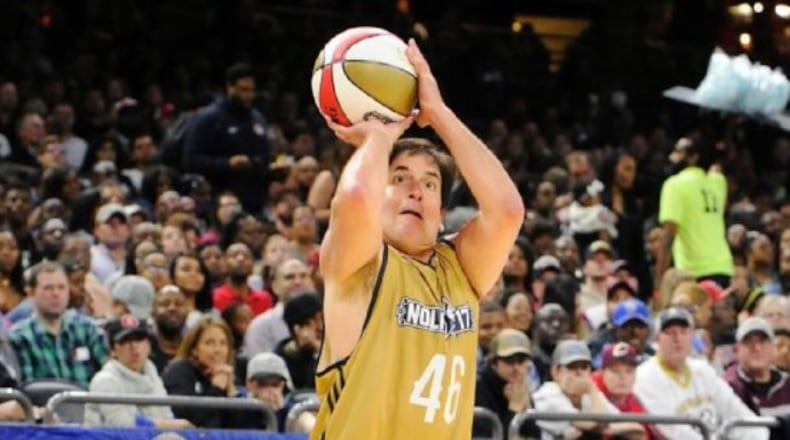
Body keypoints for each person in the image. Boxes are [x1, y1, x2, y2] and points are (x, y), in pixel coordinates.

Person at [310, 39, 524, 439]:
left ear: (442, 214)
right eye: (400, 178)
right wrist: (378, 136)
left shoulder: (461, 269)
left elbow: (508, 210)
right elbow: (355, 198)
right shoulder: (360, 264)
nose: (417, 190)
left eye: (430, 183)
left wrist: (439, 114)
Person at [634, 307, 768, 440]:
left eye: (683, 332)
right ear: (657, 339)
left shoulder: (704, 371)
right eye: (670, 332)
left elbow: (738, 413)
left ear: (692, 336)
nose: (678, 338)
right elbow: (671, 431)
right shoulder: (644, 377)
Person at [183, 62, 271, 215]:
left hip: (256, 199)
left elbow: (265, 156)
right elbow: (191, 159)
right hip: (220, 199)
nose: (248, 96)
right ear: (229, 87)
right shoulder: (208, 118)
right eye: (243, 90)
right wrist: (227, 163)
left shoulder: (257, 118)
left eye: (251, 90)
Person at [9, 261, 109, 387]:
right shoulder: (19, 337)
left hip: (89, 405)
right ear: (31, 293)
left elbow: (108, 374)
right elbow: (24, 388)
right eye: (48, 288)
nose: (56, 294)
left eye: (61, 287)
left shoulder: (88, 329)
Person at [85, 314, 192, 429]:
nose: (134, 346)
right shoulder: (105, 380)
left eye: (139, 338)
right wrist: (170, 425)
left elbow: (166, 414)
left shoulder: (151, 373)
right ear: (113, 350)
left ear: (149, 345)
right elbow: (121, 426)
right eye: (125, 340)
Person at [655, 136, 733, 288]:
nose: (672, 156)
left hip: (694, 272)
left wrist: (659, 284)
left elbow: (668, 237)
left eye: (679, 152)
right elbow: (716, 170)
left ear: (693, 157)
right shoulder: (719, 182)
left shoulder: (674, 185)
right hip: (724, 267)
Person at [532, 340, 623, 440]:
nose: (579, 373)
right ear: (555, 371)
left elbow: (626, 422)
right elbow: (593, 424)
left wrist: (612, 429)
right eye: (571, 367)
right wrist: (592, 389)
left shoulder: (588, 393)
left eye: (584, 367)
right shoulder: (547, 395)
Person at [724, 317, 790, 417]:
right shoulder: (728, 388)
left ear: (773, 348)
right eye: (749, 342)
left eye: (763, 341)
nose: (757, 348)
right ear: (737, 350)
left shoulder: (787, 383)